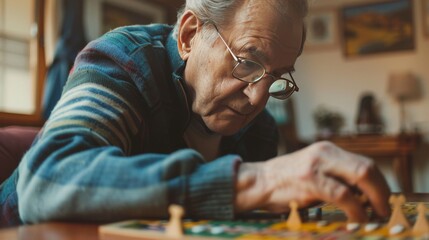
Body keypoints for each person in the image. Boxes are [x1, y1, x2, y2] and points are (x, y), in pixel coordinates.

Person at [0, 0, 391, 227]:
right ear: (189, 36)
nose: (258, 98)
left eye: (276, 76)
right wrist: (257, 181)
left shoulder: (259, 132)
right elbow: (48, 179)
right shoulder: (123, 61)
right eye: (248, 63)